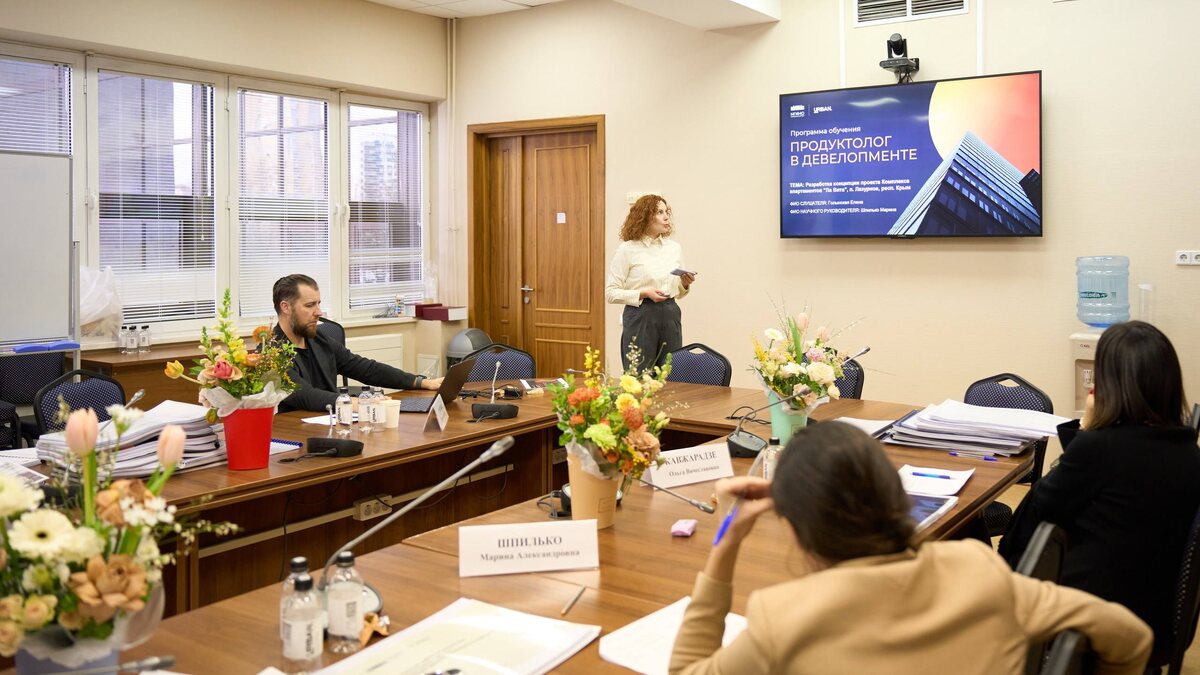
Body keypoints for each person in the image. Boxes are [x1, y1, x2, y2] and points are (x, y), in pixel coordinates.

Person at [669, 422, 1153, 675]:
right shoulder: (978, 569)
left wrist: (726, 540)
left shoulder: (783, 618)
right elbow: (1131, 636)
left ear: (794, 530)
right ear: (896, 496)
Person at [999, 320, 1200, 662]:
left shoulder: (1103, 448)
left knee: (1003, 568)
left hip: (1095, 620)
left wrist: (1087, 429)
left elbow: (1042, 506)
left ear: (1110, 383)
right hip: (1159, 620)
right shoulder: (1188, 451)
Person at [271, 274, 442, 413]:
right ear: (286, 307)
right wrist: (352, 402)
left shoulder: (319, 339)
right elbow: (303, 394)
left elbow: (365, 368)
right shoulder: (270, 354)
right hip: (295, 430)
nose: (319, 312)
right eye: (309, 305)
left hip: (331, 423)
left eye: (318, 304)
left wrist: (420, 382)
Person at [605, 194, 694, 371]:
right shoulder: (627, 250)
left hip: (670, 313)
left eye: (666, 212)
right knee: (638, 374)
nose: (666, 217)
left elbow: (678, 291)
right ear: (645, 216)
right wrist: (643, 293)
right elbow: (611, 293)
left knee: (670, 374)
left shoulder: (674, 248)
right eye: (660, 212)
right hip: (641, 315)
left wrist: (684, 284)